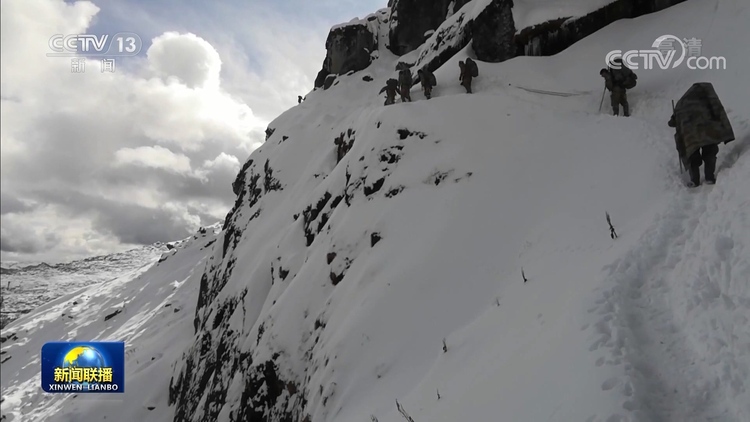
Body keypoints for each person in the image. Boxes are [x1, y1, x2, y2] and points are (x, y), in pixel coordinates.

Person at [668, 82, 735, 187]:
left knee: (693, 155)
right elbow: (718, 110)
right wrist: (724, 129)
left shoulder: (682, 102)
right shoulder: (708, 95)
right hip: (708, 131)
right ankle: (709, 177)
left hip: (690, 135)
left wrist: (675, 122)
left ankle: (695, 180)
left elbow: (673, 121)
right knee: (709, 153)